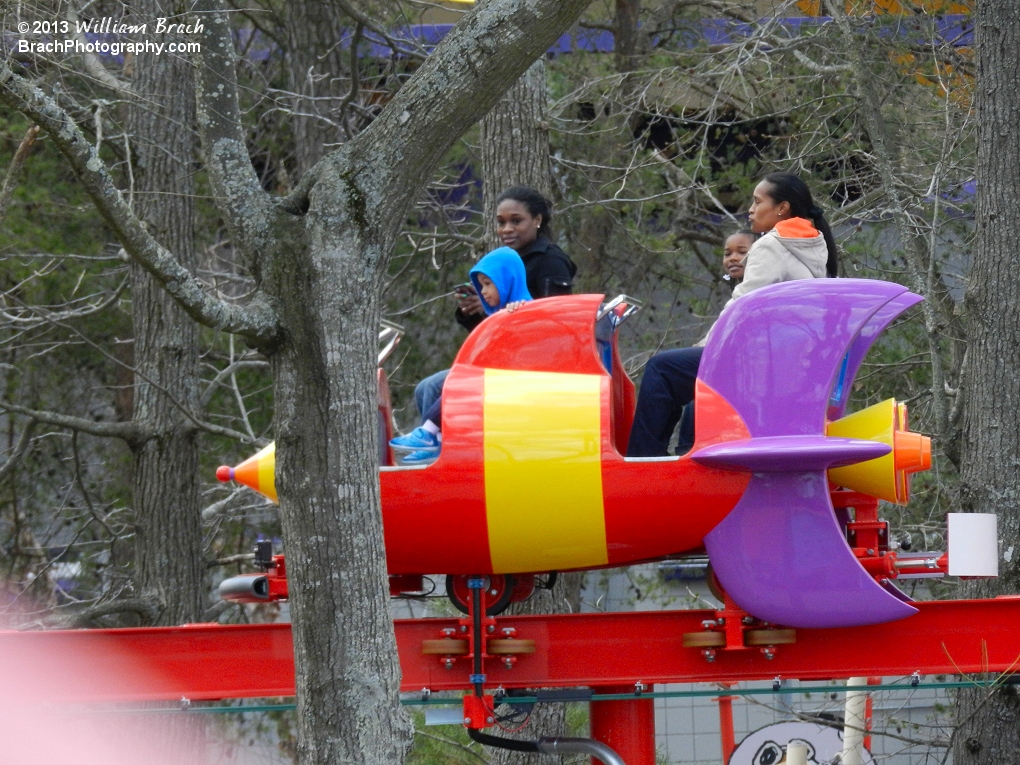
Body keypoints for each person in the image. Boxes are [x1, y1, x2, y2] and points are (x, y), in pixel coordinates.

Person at [626, 173, 838, 458]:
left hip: (759, 362)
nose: (750, 209)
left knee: (662, 369)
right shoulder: (813, 246)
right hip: (790, 362)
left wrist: (707, 346)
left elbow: (742, 307)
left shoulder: (771, 245)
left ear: (782, 208)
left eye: (757, 201)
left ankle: (643, 460)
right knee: (687, 378)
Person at [414, 186, 577, 420]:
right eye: (501, 222)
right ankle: (434, 448)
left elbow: (555, 323)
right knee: (425, 388)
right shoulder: (506, 259)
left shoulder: (550, 261)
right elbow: (490, 332)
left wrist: (498, 311)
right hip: (500, 358)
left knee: (436, 387)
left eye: (516, 221)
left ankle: (437, 448)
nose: (507, 229)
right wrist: (473, 309)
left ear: (537, 220)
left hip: (530, 367)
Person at [392, 246, 532, 463]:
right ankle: (435, 439)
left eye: (488, 284)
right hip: (498, 375)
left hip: (514, 379)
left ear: (508, 280)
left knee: (458, 383)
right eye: (481, 285)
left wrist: (517, 310)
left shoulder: (521, 308)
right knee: (445, 383)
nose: (483, 291)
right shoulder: (498, 313)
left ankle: (430, 433)